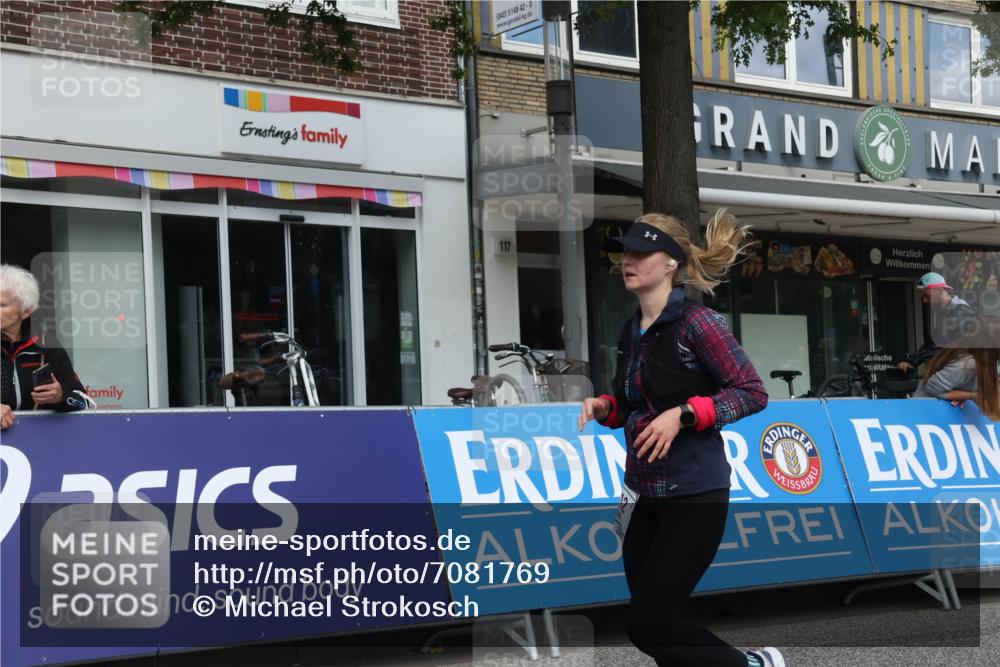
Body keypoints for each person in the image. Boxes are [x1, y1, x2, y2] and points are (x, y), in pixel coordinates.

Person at [578, 211, 780, 667]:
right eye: (625, 252)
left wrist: (685, 415)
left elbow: (752, 393)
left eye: (640, 252)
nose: (628, 261)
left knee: (648, 625)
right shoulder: (631, 329)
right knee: (658, 630)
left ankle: (754, 665)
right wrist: (606, 407)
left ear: (671, 263)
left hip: (694, 494)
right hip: (642, 495)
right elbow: (634, 404)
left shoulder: (698, 323)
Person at [1, 264, 89, 429]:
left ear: (26, 311)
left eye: (1, 305)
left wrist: (61, 397)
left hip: (40, 441)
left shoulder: (46, 345)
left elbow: (84, 403)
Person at [897, 272, 977, 373]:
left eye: (927, 296)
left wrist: (912, 360)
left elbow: (940, 345)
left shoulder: (959, 311)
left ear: (939, 290)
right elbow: (933, 342)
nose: (924, 300)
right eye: (923, 297)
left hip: (965, 369)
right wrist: (911, 361)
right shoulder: (942, 310)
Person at [913, 334, 1000, 421]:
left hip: (942, 416)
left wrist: (963, 395)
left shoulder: (981, 364)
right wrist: (970, 395)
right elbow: (931, 388)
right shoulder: (967, 364)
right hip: (925, 415)